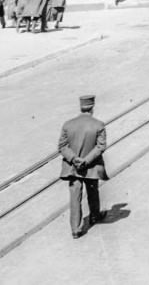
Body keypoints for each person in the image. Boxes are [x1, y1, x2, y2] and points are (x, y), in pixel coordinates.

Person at [59, 94, 107, 239]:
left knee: (75, 196)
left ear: (81, 107)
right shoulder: (98, 125)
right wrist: (86, 161)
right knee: (93, 191)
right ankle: (95, 216)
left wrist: (74, 159)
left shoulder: (68, 124)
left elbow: (62, 146)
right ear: (92, 107)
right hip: (91, 166)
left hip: (73, 167)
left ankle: (76, 229)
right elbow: (101, 147)